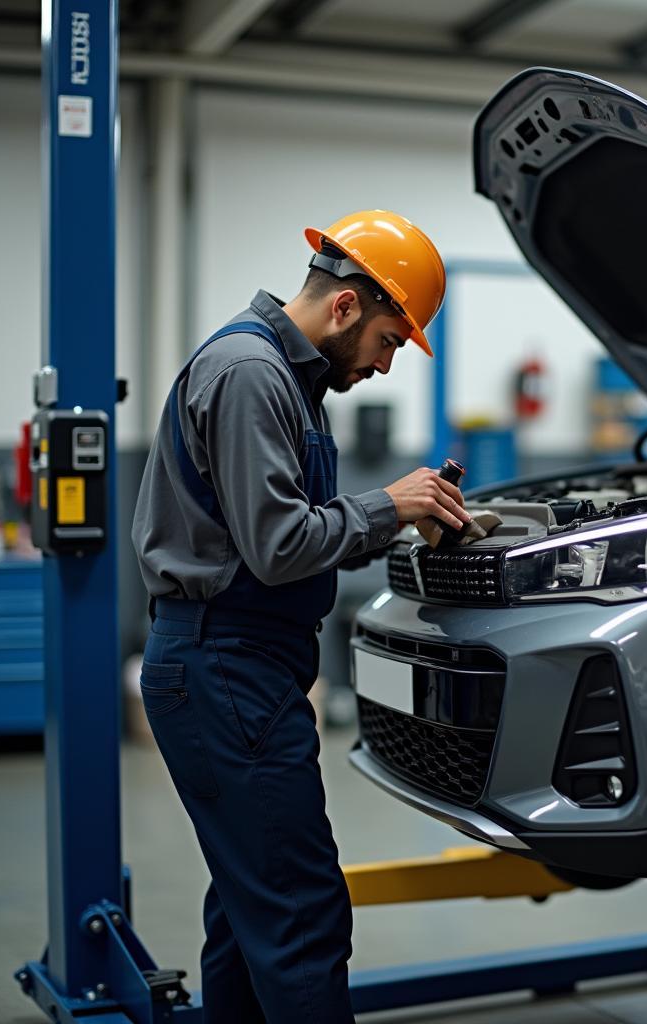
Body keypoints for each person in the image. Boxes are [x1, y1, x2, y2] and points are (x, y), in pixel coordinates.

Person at [131, 210, 468, 1023]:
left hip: (248, 669)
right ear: (347, 307)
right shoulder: (251, 372)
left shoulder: (293, 384)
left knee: (248, 912)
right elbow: (281, 546)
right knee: (301, 910)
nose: (387, 366)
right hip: (226, 668)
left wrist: (398, 519)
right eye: (390, 341)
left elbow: (295, 541)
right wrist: (388, 504)